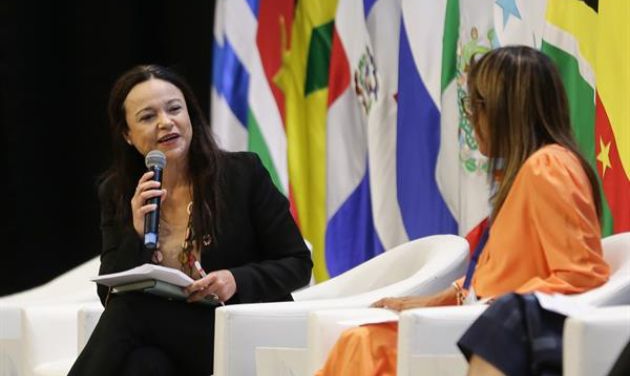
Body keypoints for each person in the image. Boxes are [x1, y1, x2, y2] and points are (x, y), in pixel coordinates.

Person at [316, 46, 610, 376]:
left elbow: (581, 274)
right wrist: (437, 299)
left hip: (494, 338)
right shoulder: (534, 168)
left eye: (476, 105)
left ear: (504, 109)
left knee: (362, 343)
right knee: (359, 338)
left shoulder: (547, 167)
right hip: (474, 324)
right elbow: (503, 272)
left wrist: (491, 306)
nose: (471, 117)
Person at [68, 64, 313, 376]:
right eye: (147, 116)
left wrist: (234, 280)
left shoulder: (241, 175)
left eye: (174, 109)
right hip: (170, 341)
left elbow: (297, 263)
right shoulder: (119, 193)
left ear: (190, 115)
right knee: (144, 366)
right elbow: (109, 296)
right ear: (127, 135)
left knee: (132, 309)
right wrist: (136, 233)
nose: (166, 122)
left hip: (245, 329)